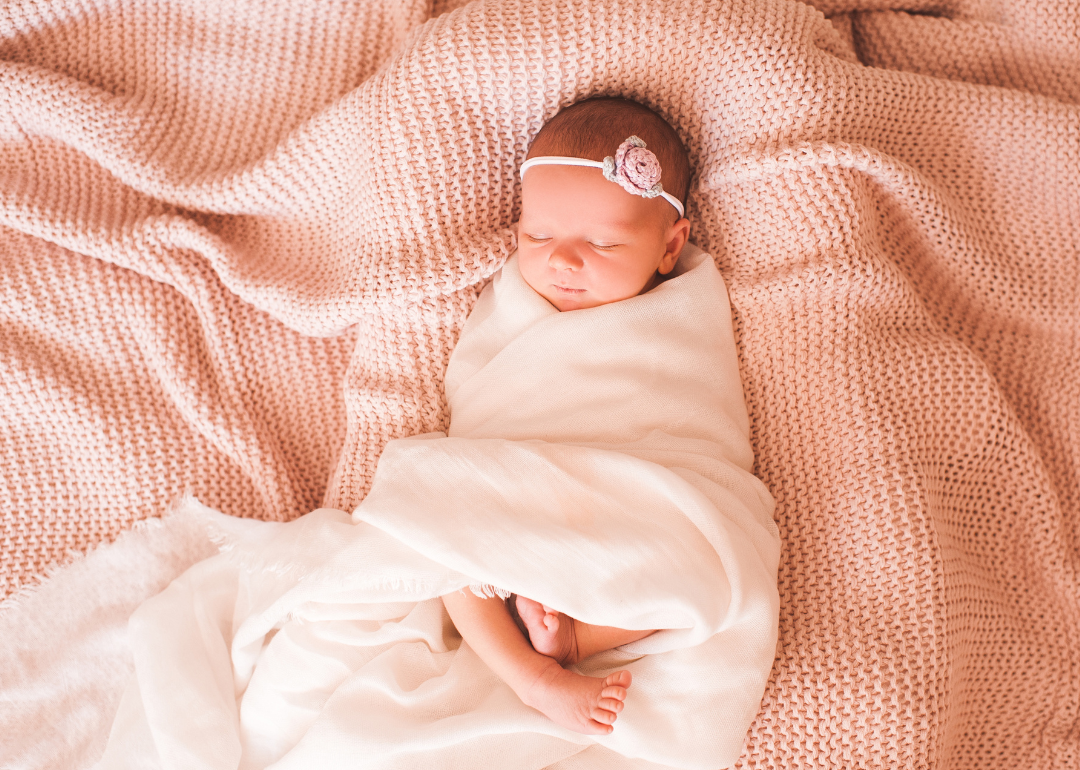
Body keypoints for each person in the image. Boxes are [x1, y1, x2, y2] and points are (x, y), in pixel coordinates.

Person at [441, 96, 695, 737]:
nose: (562, 260)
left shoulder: (687, 313)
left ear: (671, 246)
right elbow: (477, 396)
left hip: (625, 509)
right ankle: (534, 678)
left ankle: (576, 640)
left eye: (604, 242)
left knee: (705, 565)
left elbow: (696, 424)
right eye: (537, 236)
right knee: (434, 539)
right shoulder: (511, 306)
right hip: (510, 500)